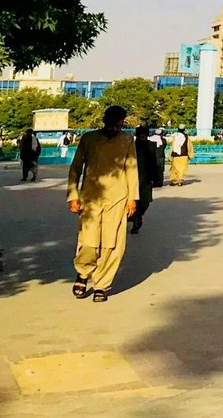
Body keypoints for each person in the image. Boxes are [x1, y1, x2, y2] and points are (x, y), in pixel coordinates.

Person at [67, 105, 139, 302]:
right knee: (88, 242)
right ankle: (83, 273)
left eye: (118, 126)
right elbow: (76, 167)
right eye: (111, 125)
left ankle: (102, 284)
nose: (115, 129)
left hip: (118, 198)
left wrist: (132, 198)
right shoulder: (89, 138)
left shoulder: (127, 140)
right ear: (104, 121)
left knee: (111, 244)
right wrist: (73, 195)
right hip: (90, 198)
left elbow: (131, 168)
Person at [128, 126, 158, 235]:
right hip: (132, 179)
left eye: (144, 136)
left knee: (145, 203)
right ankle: (136, 222)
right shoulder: (131, 146)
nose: (142, 138)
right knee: (135, 201)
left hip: (146, 180)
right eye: (140, 136)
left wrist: (156, 179)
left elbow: (155, 162)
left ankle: (137, 216)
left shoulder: (150, 146)